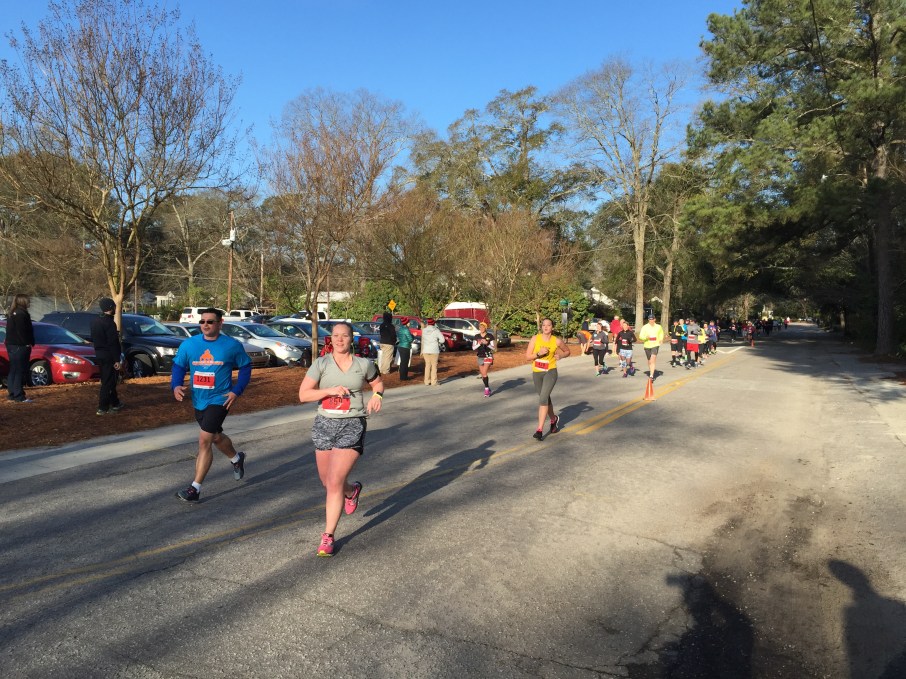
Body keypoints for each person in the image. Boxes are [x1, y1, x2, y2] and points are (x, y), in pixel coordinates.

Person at [298, 322, 384, 557]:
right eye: (335, 335)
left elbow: (377, 383)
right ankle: (351, 491)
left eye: (344, 336)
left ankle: (327, 536)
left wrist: (377, 395)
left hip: (352, 424)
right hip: (324, 424)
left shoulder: (363, 364)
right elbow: (303, 394)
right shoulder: (321, 364)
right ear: (331, 339)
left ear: (351, 339)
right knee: (327, 482)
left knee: (334, 481)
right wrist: (329, 391)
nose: (339, 339)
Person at [171, 307, 252, 503]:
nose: (205, 325)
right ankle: (236, 458)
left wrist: (236, 390)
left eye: (210, 321)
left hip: (220, 399)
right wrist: (176, 385)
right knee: (214, 437)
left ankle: (195, 488)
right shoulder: (189, 344)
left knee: (204, 440)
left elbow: (245, 366)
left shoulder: (231, 345)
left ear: (220, 323)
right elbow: (179, 365)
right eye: (202, 321)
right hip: (199, 399)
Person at [525, 317, 571, 440]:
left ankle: (539, 430)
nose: (545, 327)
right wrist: (538, 353)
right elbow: (527, 357)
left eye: (548, 325)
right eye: (543, 325)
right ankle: (553, 419)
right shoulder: (535, 339)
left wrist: (561, 355)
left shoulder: (557, 341)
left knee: (543, 398)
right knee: (544, 398)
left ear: (552, 327)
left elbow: (567, 351)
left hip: (550, 371)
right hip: (537, 372)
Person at [91, 297, 124, 415]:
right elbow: (113, 343)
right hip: (109, 356)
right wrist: (117, 359)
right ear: (110, 308)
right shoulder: (109, 323)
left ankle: (115, 402)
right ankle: (102, 407)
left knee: (109, 379)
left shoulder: (95, 322)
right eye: (114, 306)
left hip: (99, 354)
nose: (115, 308)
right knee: (108, 382)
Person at [4, 294, 35, 403]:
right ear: (23, 301)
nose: (29, 302)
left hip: (12, 345)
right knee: (19, 370)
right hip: (19, 346)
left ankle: (12, 393)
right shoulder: (21, 314)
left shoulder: (12, 313)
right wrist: (26, 343)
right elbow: (22, 331)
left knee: (14, 369)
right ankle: (19, 395)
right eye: (28, 300)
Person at [637, 314, 664, 379]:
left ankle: (651, 375)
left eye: (652, 319)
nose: (651, 320)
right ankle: (651, 371)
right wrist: (646, 337)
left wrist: (661, 339)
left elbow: (661, 334)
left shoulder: (658, 327)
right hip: (647, 345)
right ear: (648, 320)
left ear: (655, 319)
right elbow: (641, 336)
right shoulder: (645, 327)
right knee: (649, 361)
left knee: (653, 359)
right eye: (650, 319)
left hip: (655, 345)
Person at [473, 321, 496, 396]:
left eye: (483, 327)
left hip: (488, 355)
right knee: (483, 374)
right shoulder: (476, 336)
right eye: (480, 327)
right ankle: (488, 387)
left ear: (485, 328)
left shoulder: (490, 336)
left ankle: (486, 389)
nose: (481, 328)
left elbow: (494, 348)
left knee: (484, 372)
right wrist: (479, 343)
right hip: (480, 356)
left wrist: (487, 343)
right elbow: (473, 348)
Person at [420, 318, 444, 386]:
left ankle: (426, 381)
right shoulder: (436, 330)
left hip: (426, 350)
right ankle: (434, 381)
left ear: (427, 323)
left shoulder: (424, 330)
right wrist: (438, 341)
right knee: (434, 366)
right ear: (434, 323)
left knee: (427, 366)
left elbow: (423, 340)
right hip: (434, 350)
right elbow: (442, 340)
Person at [378, 311, 397, 375]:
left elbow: (381, 333)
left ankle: (382, 369)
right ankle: (386, 370)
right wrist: (394, 341)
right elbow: (393, 335)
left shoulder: (382, 325)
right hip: (389, 343)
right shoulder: (391, 326)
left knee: (383, 356)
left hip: (382, 342)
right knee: (388, 357)